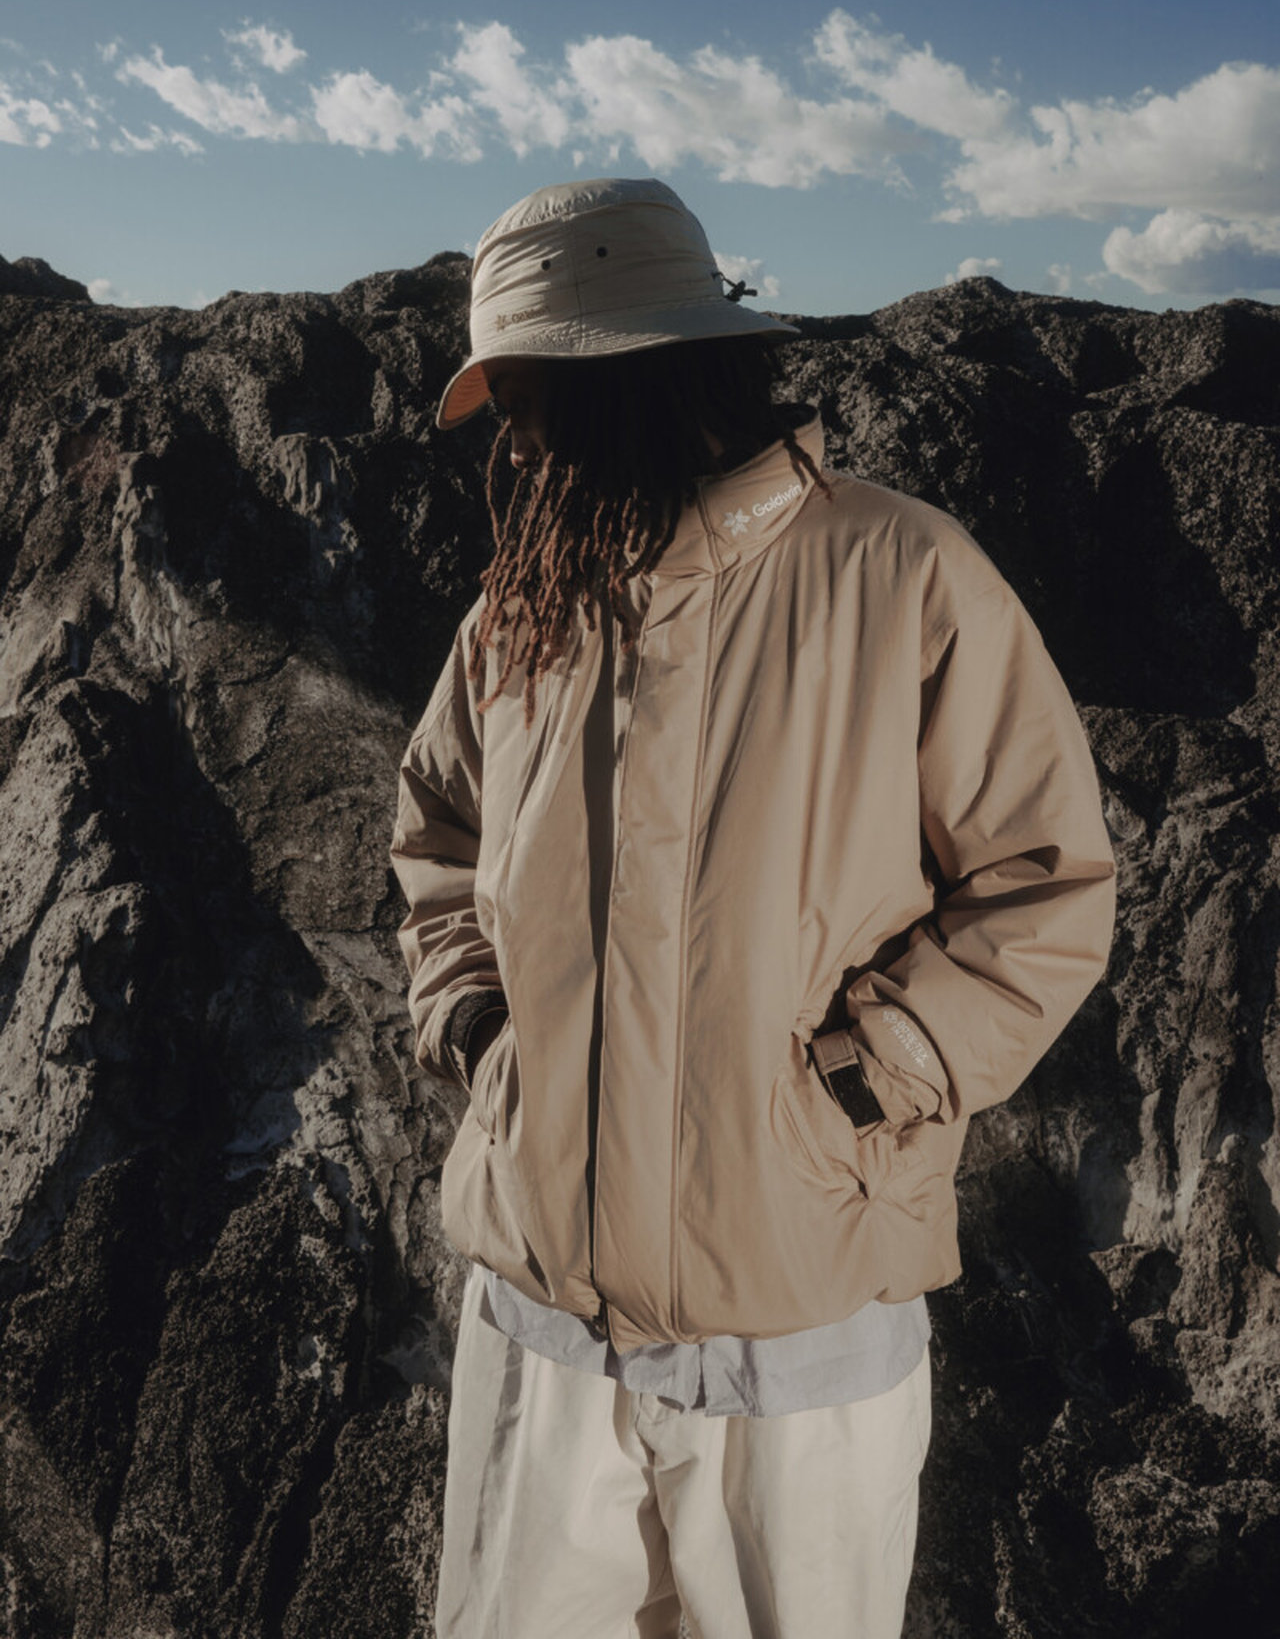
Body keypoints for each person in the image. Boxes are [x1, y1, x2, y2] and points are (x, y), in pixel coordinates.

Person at [391, 177, 1116, 1639]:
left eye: (531, 389)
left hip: (806, 1335)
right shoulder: (517, 612)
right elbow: (439, 849)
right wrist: (484, 1044)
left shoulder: (906, 576)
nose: (513, 435)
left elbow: (1044, 889)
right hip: (542, 1327)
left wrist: (863, 1083)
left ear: (636, 373)